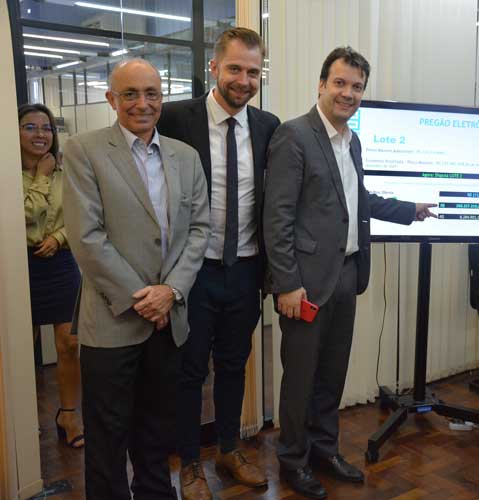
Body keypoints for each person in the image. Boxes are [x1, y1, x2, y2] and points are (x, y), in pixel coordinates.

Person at [263, 46, 436, 500]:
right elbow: (277, 217)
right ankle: (293, 461)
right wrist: (287, 284)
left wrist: (408, 210)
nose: (348, 93)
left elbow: (355, 201)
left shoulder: (351, 140)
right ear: (321, 84)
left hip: (346, 274)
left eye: (357, 87)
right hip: (305, 283)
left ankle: (324, 451)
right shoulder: (294, 135)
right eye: (340, 83)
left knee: (331, 376)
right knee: (300, 379)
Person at [63, 58, 210, 500]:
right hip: (113, 321)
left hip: (168, 320)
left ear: (162, 99)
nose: (142, 104)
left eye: (151, 94)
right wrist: (144, 299)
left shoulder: (186, 157)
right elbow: (87, 237)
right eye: (130, 94)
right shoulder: (84, 150)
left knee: (156, 430)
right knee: (107, 438)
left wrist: (171, 291)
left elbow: (199, 230)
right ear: (112, 99)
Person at [158, 27, 280, 500]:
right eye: (234, 68)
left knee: (234, 366)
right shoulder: (175, 118)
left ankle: (229, 450)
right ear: (214, 67)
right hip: (192, 272)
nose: (243, 80)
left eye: (253, 72)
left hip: (246, 269)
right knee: (189, 371)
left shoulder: (268, 126)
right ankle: (190, 465)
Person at [19, 103, 84, 449]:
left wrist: (58, 237)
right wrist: (42, 177)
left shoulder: (66, 171)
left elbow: (80, 215)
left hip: (60, 264)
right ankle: (22, 419)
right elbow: (23, 217)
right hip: (19, 267)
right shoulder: (7, 172)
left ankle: (69, 415)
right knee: (21, 348)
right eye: (30, 127)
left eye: (46, 128)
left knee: (69, 344)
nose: (40, 134)